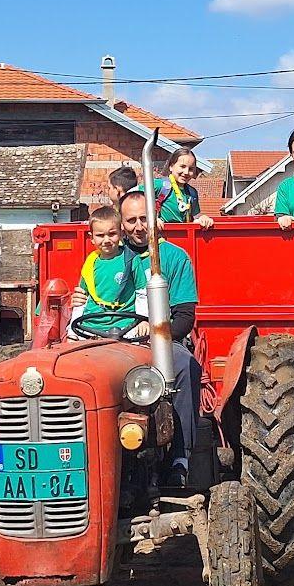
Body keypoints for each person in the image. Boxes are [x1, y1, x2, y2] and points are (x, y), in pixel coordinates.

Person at [119, 189, 200, 482]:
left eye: (144, 218)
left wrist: (156, 338)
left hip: (161, 341)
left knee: (183, 365)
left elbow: (185, 317)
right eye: (131, 220)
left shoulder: (174, 257)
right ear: (121, 223)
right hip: (113, 342)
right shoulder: (108, 258)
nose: (139, 227)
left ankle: (179, 456)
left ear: (155, 219)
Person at [65, 206, 138, 338]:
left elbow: (143, 293)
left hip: (125, 326)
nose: (106, 240)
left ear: (121, 234)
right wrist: (71, 329)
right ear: (91, 237)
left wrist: (143, 321)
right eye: (100, 235)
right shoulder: (90, 264)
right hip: (91, 326)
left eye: (112, 234)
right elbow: (82, 299)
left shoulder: (131, 260)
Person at [149, 148, 214, 229]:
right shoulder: (159, 185)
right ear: (171, 166)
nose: (186, 172)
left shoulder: (192, 193)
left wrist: (203, 219)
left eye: (190, 169)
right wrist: (151, 219)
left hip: (184, 239)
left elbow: (196, 218)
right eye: (182, 166)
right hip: (161, 238)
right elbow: (132, 197)